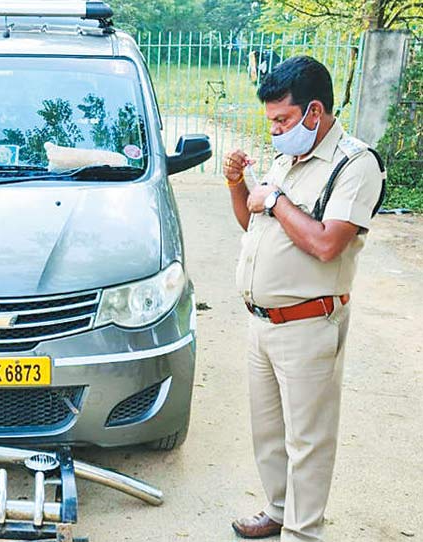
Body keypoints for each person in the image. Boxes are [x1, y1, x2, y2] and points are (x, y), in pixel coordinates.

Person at [224, 56, 383, 541]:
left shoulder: (355, 164)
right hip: (262, 322)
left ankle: (302, 532)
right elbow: (255, 224)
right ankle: (277, 511)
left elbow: (325, 242)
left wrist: (274, 199)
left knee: (307, 441)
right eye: (270, 121)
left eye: (283, 120)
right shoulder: (286, 157)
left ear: (314, 112)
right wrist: (239, 186)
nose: (274, 130)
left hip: (309, 324)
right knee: (268, 433)